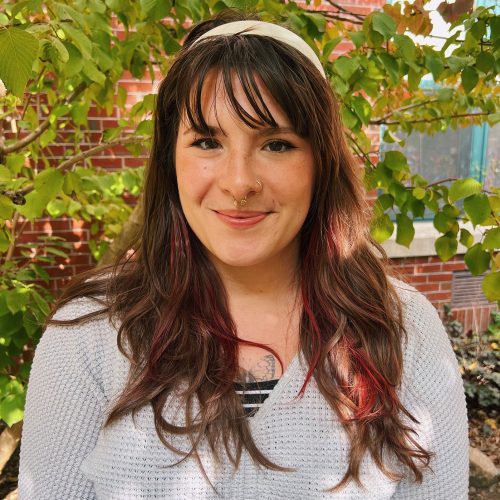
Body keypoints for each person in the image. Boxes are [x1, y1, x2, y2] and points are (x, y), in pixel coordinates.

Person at [18, 10, 469, 499]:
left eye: (276, 144)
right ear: (171, 160)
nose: (238, 183)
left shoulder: (403, 330)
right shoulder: (91, 333)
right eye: (207, 141)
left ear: (321, 162)